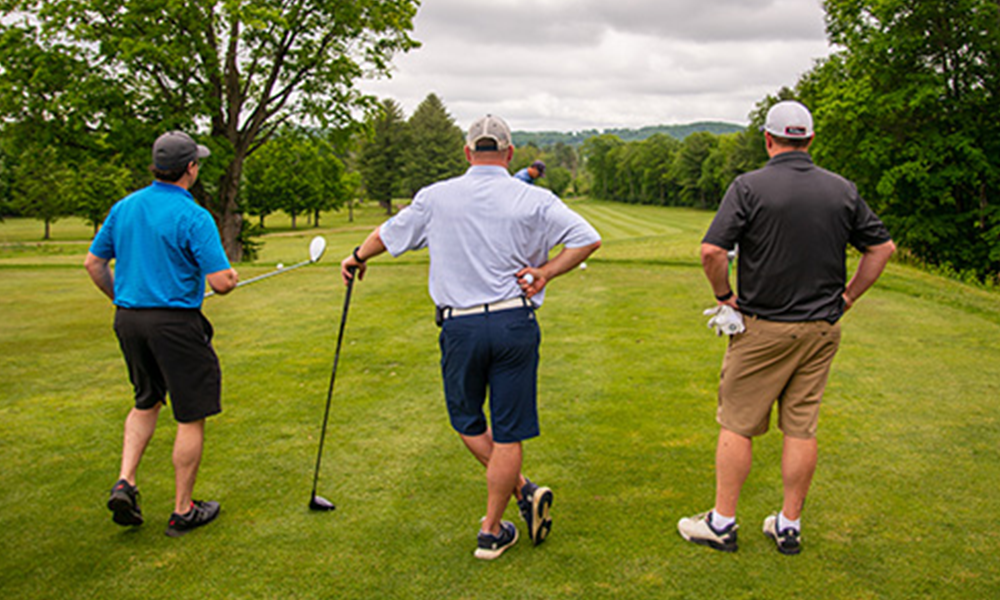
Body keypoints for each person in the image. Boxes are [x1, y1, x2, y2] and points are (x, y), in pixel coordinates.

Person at [340, 115, 601, 560]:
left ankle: (498, 521)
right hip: (514, 323)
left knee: (467, 422)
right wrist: (546, 273)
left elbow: (387, 235)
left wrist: (356, 256)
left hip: (459, 326)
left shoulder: (437, 196)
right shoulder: (531, 196)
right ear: (510, 153)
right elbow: (587, 238)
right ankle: (500, 518)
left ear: (466, 153)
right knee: (508, 431)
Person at [677, 100, 895, 555]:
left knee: (736, 423)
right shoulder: (841, 190)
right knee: (801, 427)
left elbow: (712, 253)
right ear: (810, 140)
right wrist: (849, 297)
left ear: (768, 139)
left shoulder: (749, 186)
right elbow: (882, 249)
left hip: (763, 328)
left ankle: (722, 523)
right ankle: (788, 525)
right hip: (821, 329)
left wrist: (723, 296)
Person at [85, 131, 239, 538]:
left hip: (129, 320)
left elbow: (93, 264)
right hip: (174, 325)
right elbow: (221, 282)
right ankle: (183, 510)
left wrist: (125, 297)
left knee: (146, 399)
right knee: (190, 413)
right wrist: (231, 277)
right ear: (190, 168)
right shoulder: (193, 215)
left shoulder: (125, 207)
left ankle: (126, 481)